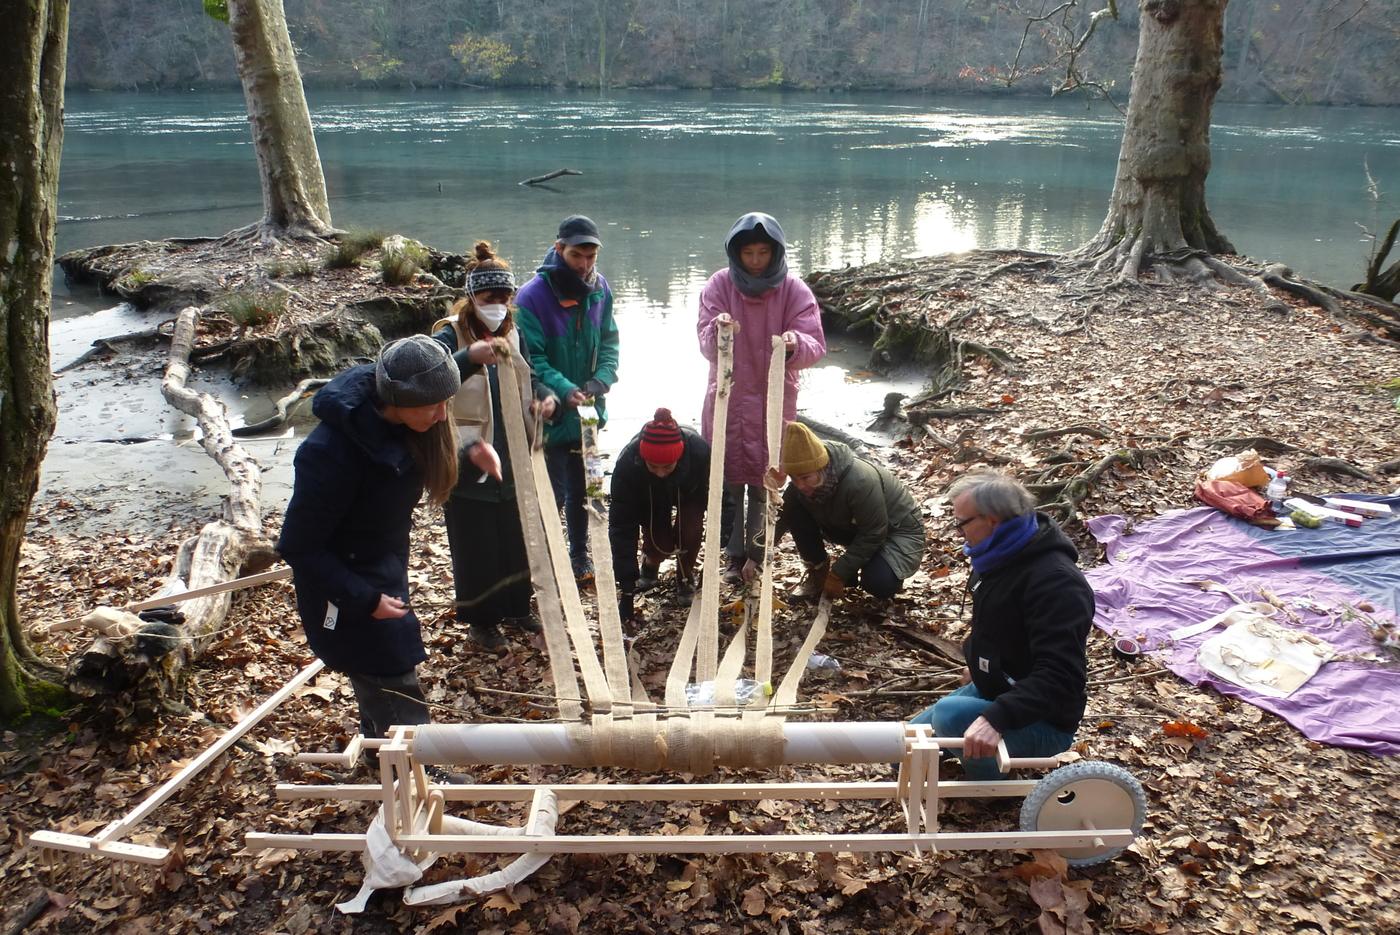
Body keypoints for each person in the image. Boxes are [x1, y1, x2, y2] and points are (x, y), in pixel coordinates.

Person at [278, 335, 460, 740]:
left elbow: (403, 466)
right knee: (387, 665)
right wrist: (364, 599)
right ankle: (417, 764)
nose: (444, 417)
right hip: (344, 580)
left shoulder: (405, 420)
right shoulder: (328, 453)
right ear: (395, 400)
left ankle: (379, 738)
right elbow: (298, 545)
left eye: (447, 403)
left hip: (382, 562)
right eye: (433, 406)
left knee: (378, 662)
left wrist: (473, 450)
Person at [909, 471, 1094, 781]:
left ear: (992, 520)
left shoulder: (1058, 583)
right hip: (1001, 685)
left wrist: (996, 719)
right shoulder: (999, 555)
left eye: (962, 523)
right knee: (906, 750)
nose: (958, 533)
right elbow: (997, 623)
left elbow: (1060, 675)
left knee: (949, 715)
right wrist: (979, 662)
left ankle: (990, 788)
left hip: (1043, 718)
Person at [432, 241, 557, 652]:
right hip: (468, 449)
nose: (498, 305)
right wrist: (470, 356)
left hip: (512, 447)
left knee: (517, 537)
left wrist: (542, 397)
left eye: (505, 298)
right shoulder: (447, 334)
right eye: (490, 298)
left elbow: (528, 375)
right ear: (472, 297)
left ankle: (517, 607)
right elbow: (431, 380)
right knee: (476, 545)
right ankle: (482, 622)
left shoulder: (511, 331)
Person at [698, 212, 825, 586]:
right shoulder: (719, 285)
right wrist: (717, 329)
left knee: (765, 480)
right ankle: (734, 555)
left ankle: (758, 551)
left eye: (762, 253)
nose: (755, 261)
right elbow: (704, 342)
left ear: (775, 252)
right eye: (749, 253)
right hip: (729, 397)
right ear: (736, 254)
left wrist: (793, 345)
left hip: (773, 399)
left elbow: (815, 343)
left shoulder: (794, 290)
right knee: (731, 481)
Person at [515, 215, 620, 582]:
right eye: (577, 255)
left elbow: (609, 342)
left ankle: (579, 554)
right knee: (553, 494)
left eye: (591, 256)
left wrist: (601, 380)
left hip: (590, 411)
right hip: (552, 411)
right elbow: (533, 359)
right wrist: (564, 390)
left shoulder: (601, 289)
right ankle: (547, 559)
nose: (585, 264)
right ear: (559, 249)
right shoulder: (531, 297)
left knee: (587, 491)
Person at [776, 421, 925, 602]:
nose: (800, 485)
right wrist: (754, 557)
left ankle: (886, 571)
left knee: (878, 582)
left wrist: (838, 574)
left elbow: (874, 533)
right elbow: (779, 519)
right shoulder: (801, 485)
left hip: (897, 531)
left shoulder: (859, 482)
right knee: (795, 510)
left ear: (821, 468)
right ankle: (818, 572)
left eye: (806, 478)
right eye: (794, 478)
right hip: (855, 529)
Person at [608, 408, 711, 622]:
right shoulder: (628, 464)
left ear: (679, 457)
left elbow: (722, 493)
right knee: (659, 542)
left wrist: (724, 533)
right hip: (649, 494)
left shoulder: (699, 452)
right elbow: (622, 526)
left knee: (690, 531)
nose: (661, 472)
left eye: (667, 466)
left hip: (690, 491)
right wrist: (626, 588)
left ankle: (684, 576)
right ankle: (651, 562)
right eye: (653, 466)